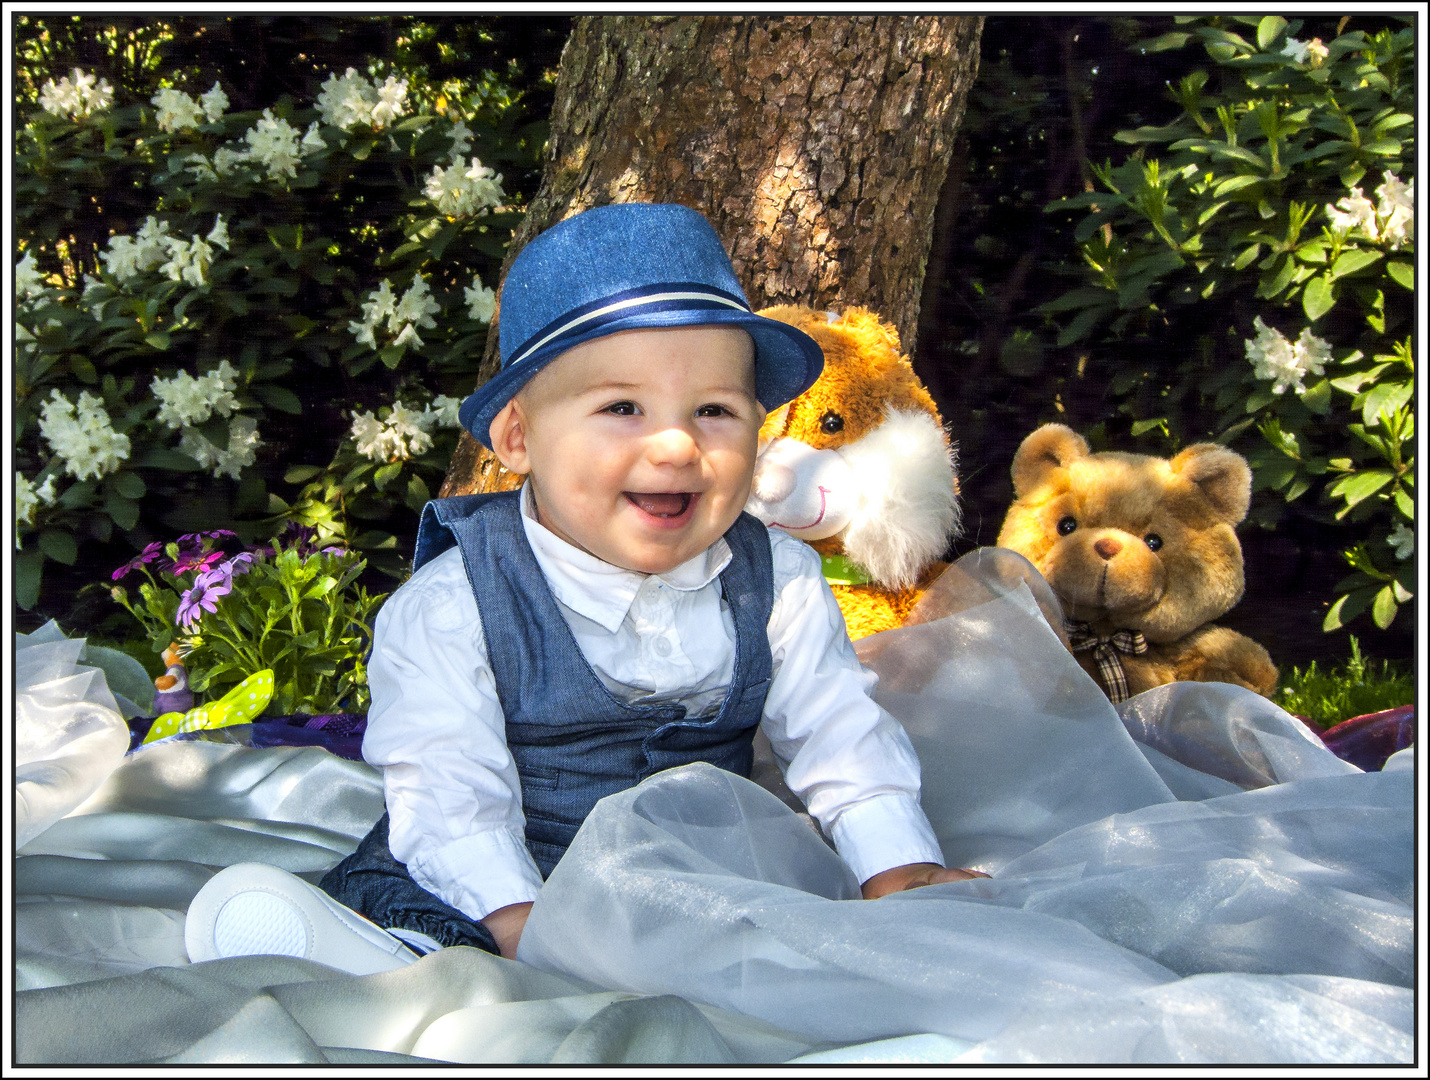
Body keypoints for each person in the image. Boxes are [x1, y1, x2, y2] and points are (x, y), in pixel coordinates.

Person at [184, 203, 981, 975]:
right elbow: (448, 790)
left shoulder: (778, 576)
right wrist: (524, 927)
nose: (675, 446)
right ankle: (390, 960)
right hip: (492, 877)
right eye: (622, 407)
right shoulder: (458, 601)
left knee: (778, 950)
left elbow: (840, 731)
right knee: (436, 929)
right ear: (519, 438)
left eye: (714, 410)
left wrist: (895, 862)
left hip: (689, 875)